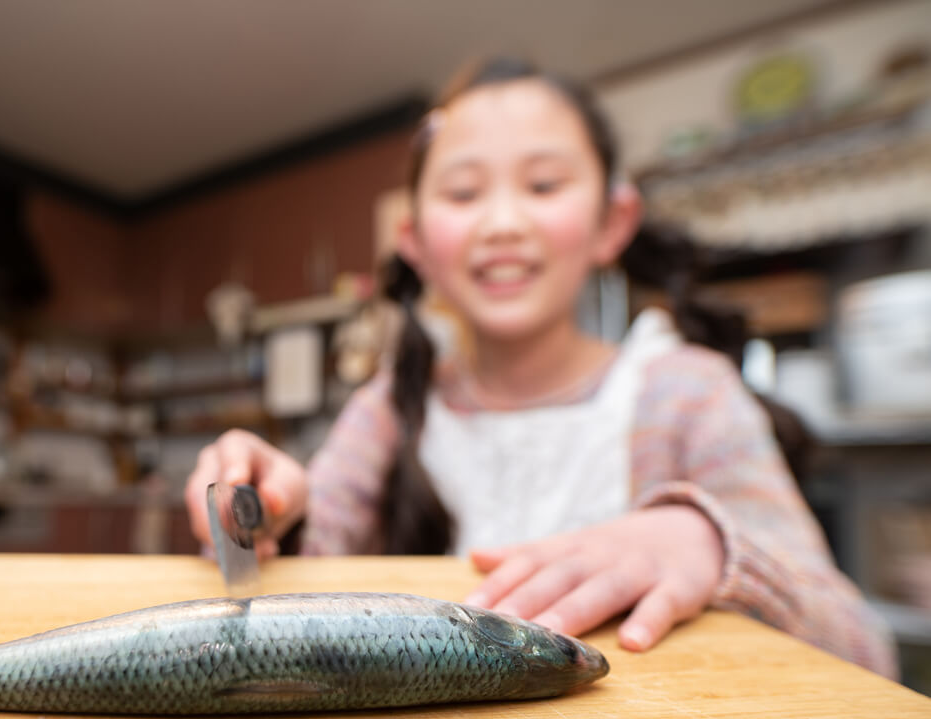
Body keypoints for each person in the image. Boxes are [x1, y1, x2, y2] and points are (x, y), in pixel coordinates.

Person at [184, 57, 897, 677]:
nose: (502, 222)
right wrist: (272, 508)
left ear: (611, 224)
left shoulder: (684, 392)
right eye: (464, 193)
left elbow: (864, 651)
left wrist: (708, 543)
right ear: (416, 243)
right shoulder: (389, 407)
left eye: (545, 185)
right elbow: (310, 566)